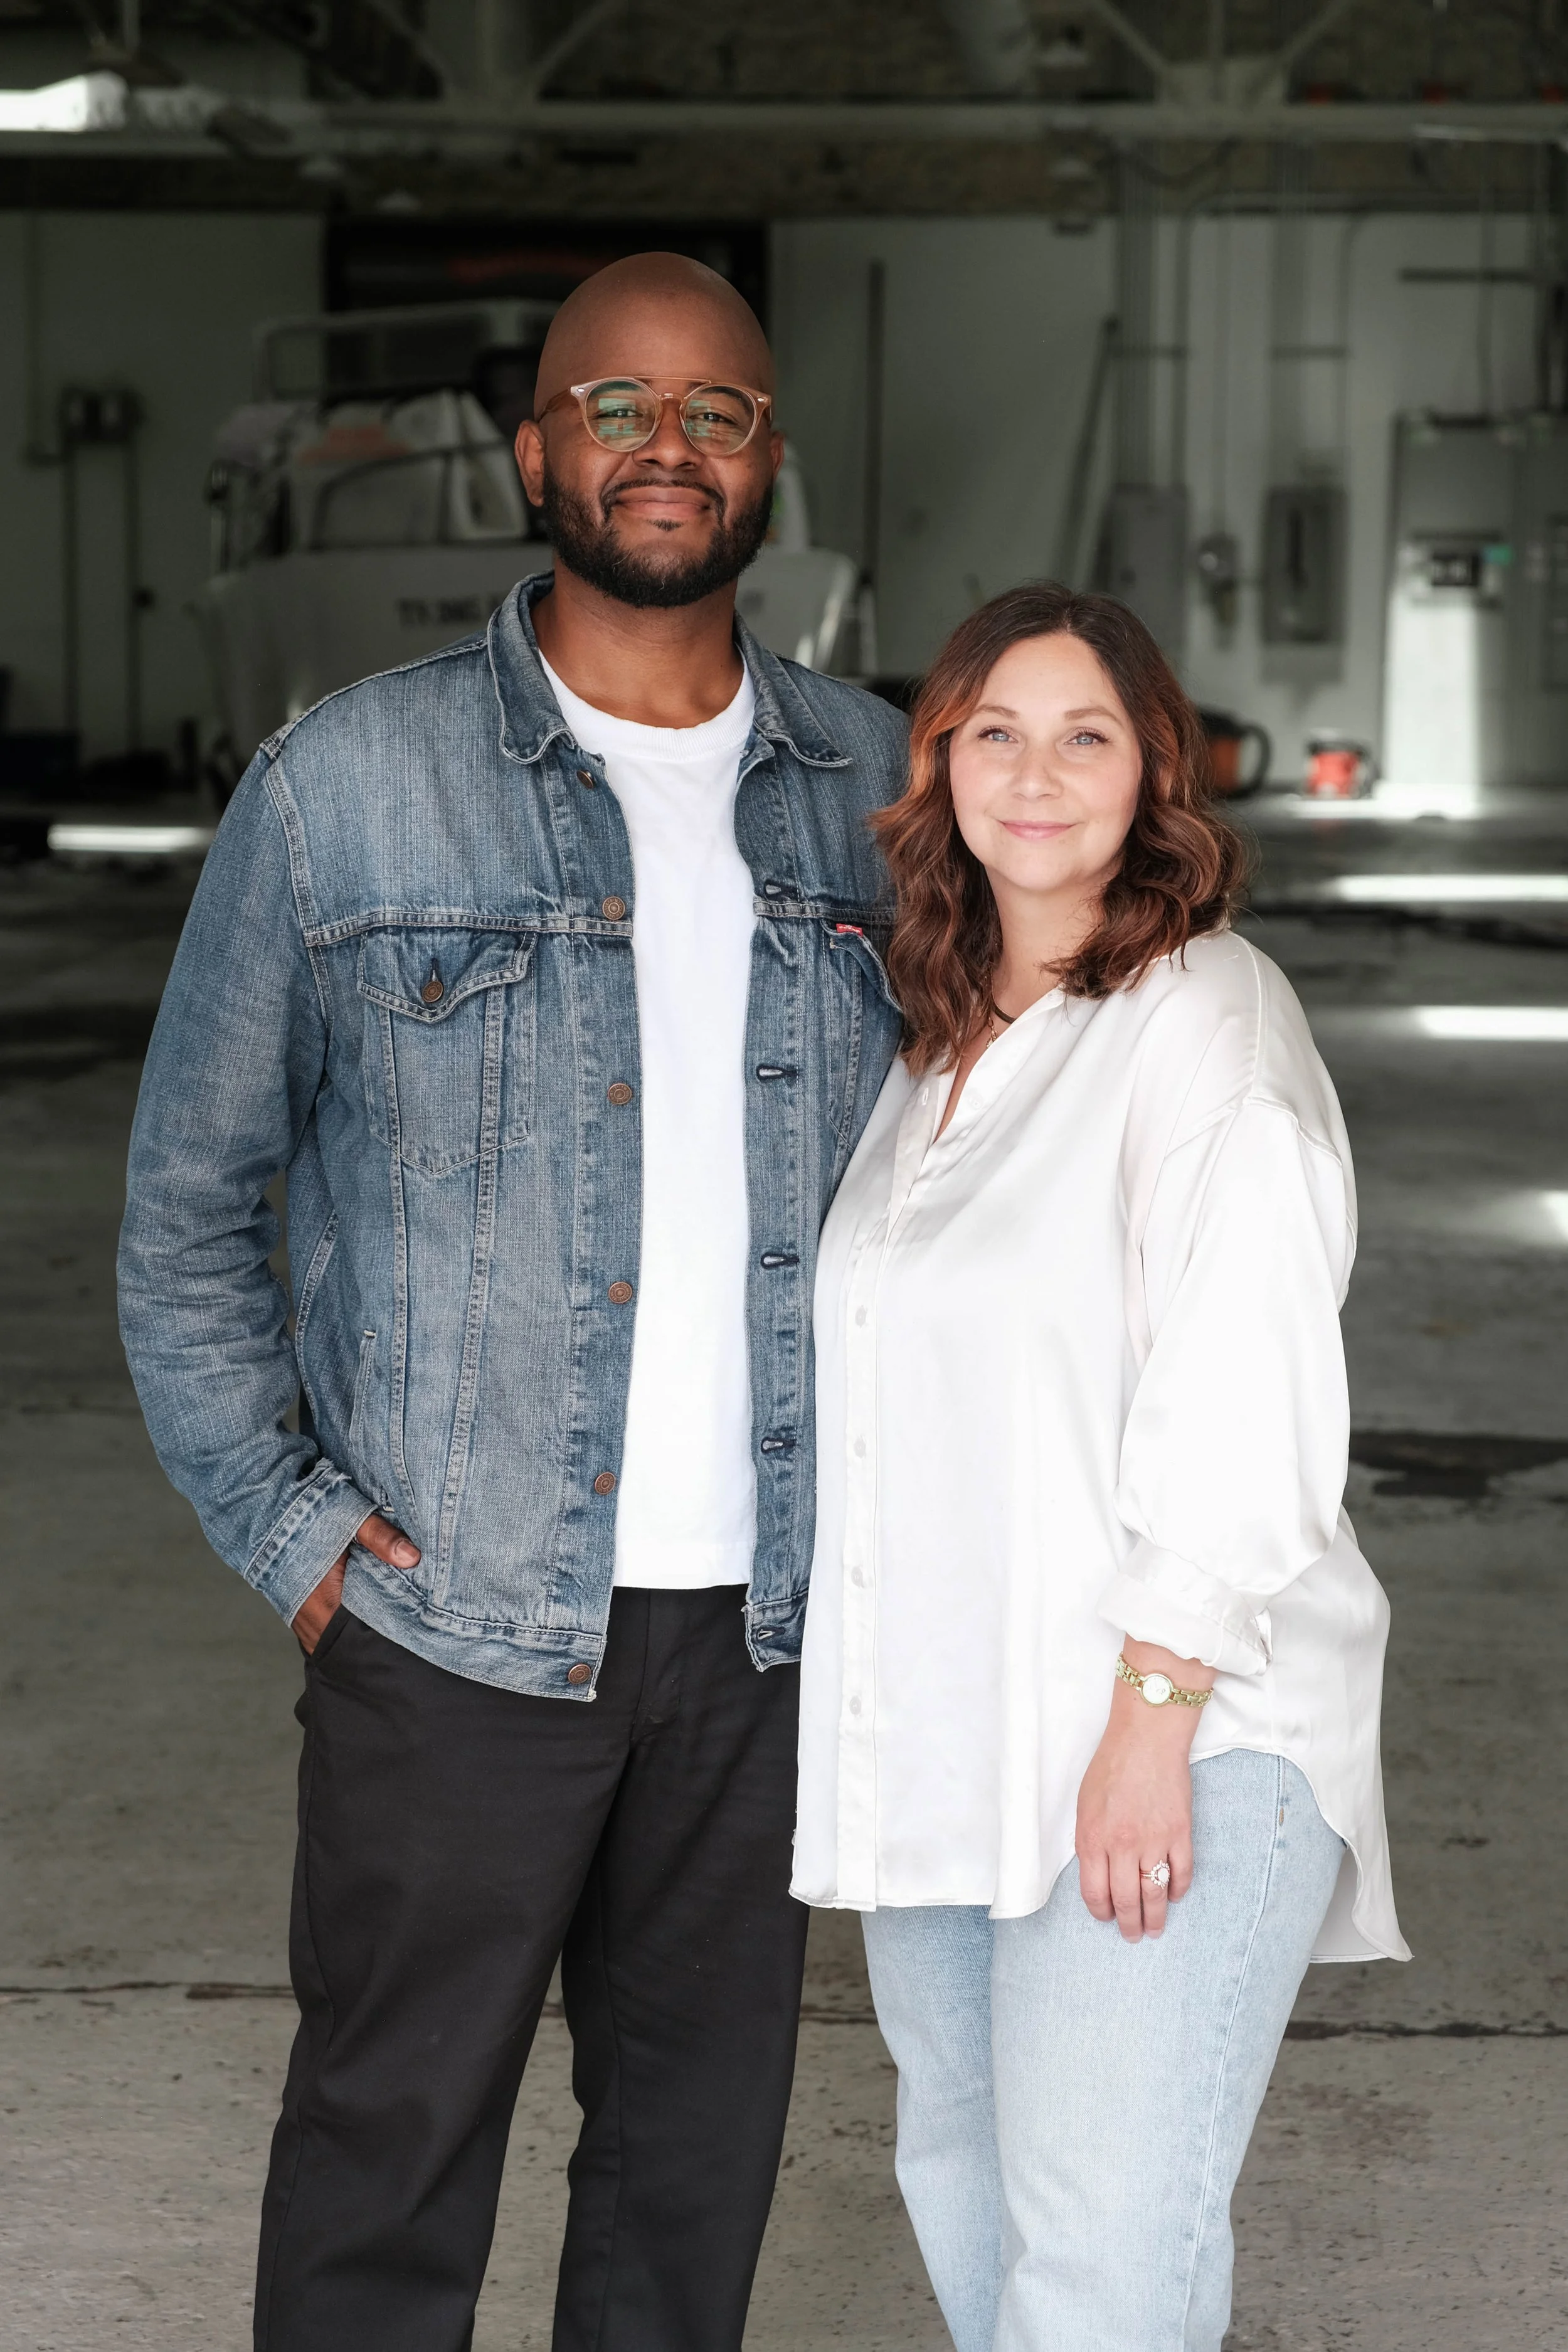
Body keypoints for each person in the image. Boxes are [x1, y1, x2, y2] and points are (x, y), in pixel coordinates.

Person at [118, 252, 908, 2352]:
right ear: (539, 447)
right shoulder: (341, 789)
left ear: (767, 461)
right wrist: (298, 1546)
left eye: (716, 411)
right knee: (389, 2158)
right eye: (617, 407)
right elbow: (189, 1209)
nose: (667, 447)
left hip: (767, 1638)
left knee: (694, 2165)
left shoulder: (884, 790)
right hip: (450, 1624)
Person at [793, 583, 1409, 2352]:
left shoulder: (1204, 1018)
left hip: (1173, 1738)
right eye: (994, 728)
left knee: (1098, 2254)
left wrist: (1149, 1721)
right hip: (959, 1740)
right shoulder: (935, 1040)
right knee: (973, 2196)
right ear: (938, 765)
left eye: (1086, 733)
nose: (1036, 771)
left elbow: (1249, 1391)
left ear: (1156, 777)